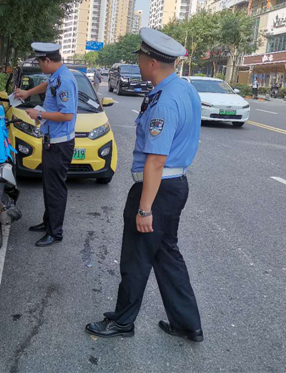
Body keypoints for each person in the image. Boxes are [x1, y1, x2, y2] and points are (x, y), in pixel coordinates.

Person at [85, 27, 204, 342]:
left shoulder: (164, 102)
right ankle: (187, 323)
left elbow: (155, 160)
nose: (137, 63)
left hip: (157, 189)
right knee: (166, 255)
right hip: (174, 185)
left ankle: (123, 322)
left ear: (151, 62)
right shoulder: (183, 89)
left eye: (139, 58)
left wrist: (144, 208)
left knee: (137, 257)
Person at [14, 43, 78, 247]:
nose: (40, 67)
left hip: (59, 145)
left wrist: (39, 113)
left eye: (40, 63)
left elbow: (67, 115)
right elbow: (47, 85)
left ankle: (55, 232)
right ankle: (48, 222)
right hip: (51, 142)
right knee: (49, 186)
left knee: (56, 189)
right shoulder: (57, 76)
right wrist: (26, 93)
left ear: (48, 60)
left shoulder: (66, 80)